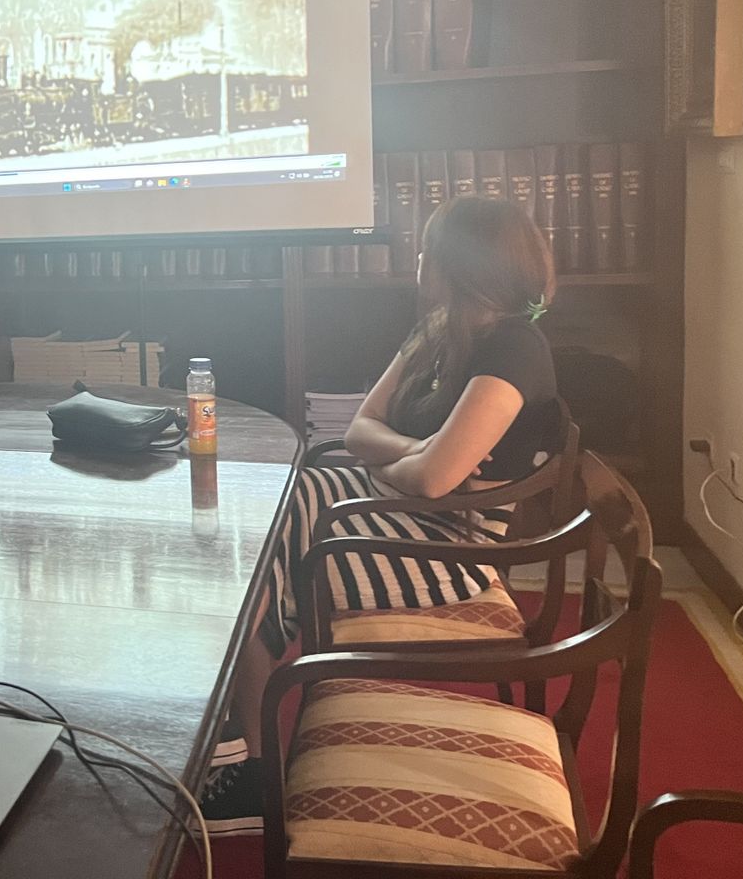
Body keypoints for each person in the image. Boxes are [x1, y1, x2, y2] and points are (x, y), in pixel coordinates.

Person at [202, 195, 564, 835]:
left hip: (455, 545)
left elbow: (436, 482)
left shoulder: (515, 350)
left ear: (463, 263)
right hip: (400, 512)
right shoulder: (438, 330)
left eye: (429, 248)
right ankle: (245, 750)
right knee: (276, 503)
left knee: (269, 540)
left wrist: (404, 464)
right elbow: (361, 429)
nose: (418, 258)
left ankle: (245, 759)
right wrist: (412, 452)